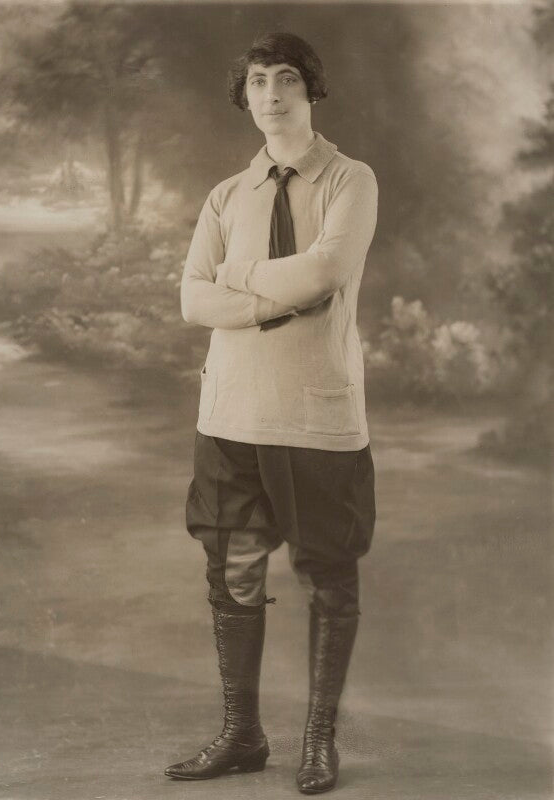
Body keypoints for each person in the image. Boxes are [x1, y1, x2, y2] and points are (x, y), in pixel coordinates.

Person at [164, 31, 378, 795]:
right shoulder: (225, 196)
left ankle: (317, 741)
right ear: (244, 96)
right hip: (230, 415)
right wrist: (267, 300)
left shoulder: (349, 180)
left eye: (286, 78)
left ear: (310, 89)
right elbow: (193, 300)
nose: (271, 94)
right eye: (257, 81)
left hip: (316, 416)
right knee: (232, 570)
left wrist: (240, 275)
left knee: (328, 573)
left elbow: (325, 272)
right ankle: (241, 734)